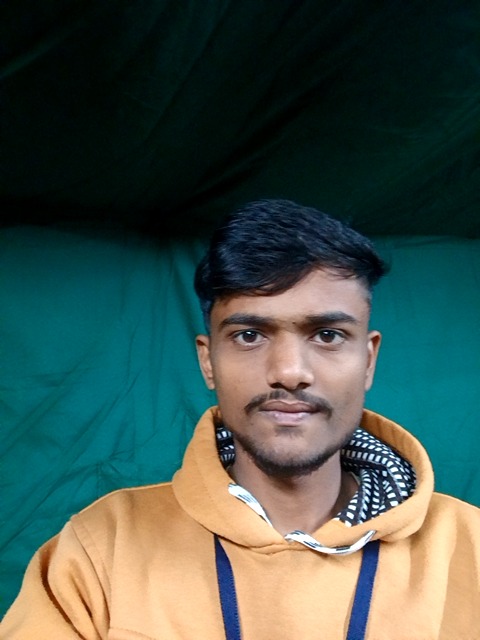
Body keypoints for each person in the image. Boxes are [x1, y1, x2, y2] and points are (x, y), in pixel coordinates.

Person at [1, 199, 479, 639]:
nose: (289, 371)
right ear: (207, 361)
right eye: (250, 335)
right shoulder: (100, 549)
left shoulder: (470, 546)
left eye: (328, 335)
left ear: (368, 360)